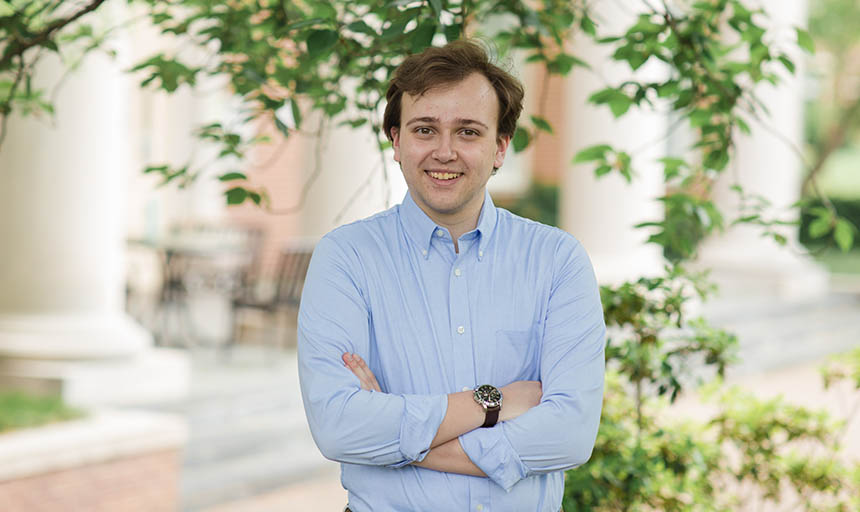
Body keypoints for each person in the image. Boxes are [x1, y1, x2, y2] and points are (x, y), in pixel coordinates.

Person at [297, 39, 605, 512]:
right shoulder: (346, 259)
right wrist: (494, 402)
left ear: (500, 148)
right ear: (396, 142)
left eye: (467, 132)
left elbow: (570, 436)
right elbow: (339, 427)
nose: (445, 151)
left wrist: (402, 442)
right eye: (425, 129)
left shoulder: (557, 261)